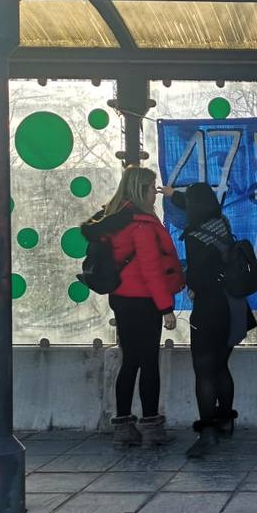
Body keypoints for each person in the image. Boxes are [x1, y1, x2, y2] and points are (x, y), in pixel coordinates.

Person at [81, 166, 185, 448]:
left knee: (130, 361)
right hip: (145, 301)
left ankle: (124, 426)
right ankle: (151, 426)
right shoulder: (141, 224)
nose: (155, 193)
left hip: (122, 299)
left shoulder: (113, 220)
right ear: (141, 190)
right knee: (149, 362)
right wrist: (166, 308)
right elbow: (151, 269)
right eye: (152, 188)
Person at [167, 182, 257, 459]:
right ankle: (226, 421)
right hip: (235, 306)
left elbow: (197, 278)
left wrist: (187, 279)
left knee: (204, 370)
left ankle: (207, 434)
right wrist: (174, 195)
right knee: (220, 366)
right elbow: (197, 203)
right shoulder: (222, 223)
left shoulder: (195, 236)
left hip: (210, 309)